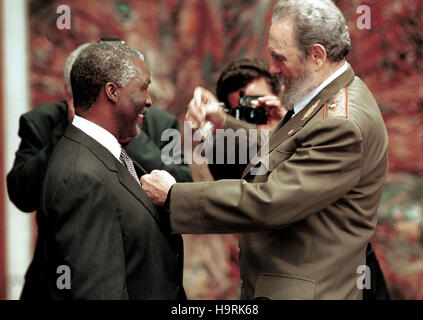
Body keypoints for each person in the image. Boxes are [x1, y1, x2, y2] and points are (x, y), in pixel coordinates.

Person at [141, 0, 389, 300]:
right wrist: (224, 123)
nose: (272, 68)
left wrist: (173, 197)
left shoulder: (342, 123)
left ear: (317, 56)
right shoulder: (328, 94)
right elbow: (288, 151)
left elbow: (271, 202)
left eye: (278, 57)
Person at [19, 41, 186, 299]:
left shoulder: (104, 152)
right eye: (144, 88)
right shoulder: (81, 177)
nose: (150, 101)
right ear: (112, 91)